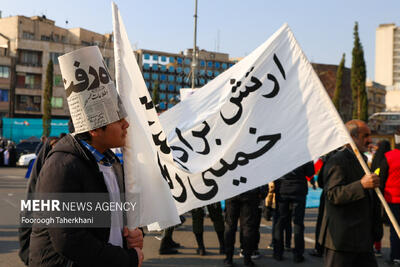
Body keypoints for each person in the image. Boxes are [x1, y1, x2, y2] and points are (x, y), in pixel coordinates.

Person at [28, 46, 144, 267]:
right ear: (94, 128)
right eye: (118, 119)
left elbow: (112, 221)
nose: (126, 124)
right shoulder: (63, 166)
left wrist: (135, 235)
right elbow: (70, 240)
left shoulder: (112, 163)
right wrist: (126, 259)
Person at [319, 119, 382, 267]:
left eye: (370, 135)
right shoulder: (338, 160)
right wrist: (361, 185)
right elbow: (333, 194)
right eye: (365, 136)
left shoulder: (362, 159)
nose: (370, 140)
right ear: (352, 137)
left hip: (363, 238)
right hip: (342, 239)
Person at [273, 161, 315, 263]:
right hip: (298, 190)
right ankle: (298, 254)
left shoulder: (279, 150)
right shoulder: (303, 152)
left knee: (280, 222)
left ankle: (278, 253)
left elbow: (272, 169)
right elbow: (310, 172)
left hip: (282, 190)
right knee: (298, 223)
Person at [224, 187, 266, 267]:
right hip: (249, 192)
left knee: (230, 226)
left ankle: (228, 259)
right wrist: (262, 192)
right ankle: (247, 259)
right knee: (248, 227)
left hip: (231, 191)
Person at [379, 133, 400, 265]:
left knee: (394, 228)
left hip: (392, 198)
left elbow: (381, 177)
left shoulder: (389, 156)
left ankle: (396, 256)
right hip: (393, 197)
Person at [370, 140, 391, 257]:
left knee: (374, 220)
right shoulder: (389, 158)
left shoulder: (376, 159)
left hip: (375, 193)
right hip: (388, 194)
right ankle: (377, 248)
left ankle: (374, 247)